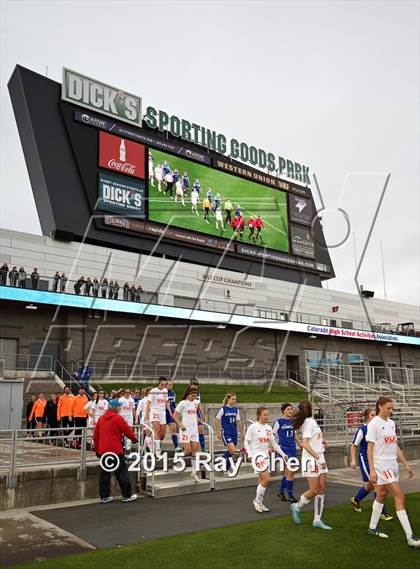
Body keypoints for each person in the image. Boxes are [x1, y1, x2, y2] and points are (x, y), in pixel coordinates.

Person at [366, 397, 419, 546]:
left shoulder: (391, 423)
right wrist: (372, 470)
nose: (391, 411)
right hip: (381, 465)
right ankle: (410, 537)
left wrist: (405, 464)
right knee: (400, 496)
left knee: (382, 494)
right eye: (388, 408)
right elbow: (370, 448)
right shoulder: (374, 424)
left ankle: (372, 528)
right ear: (380, 407)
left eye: (392, 408)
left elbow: (394, 445)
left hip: (392, 464)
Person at [291, 400, 332, 530]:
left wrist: (322, 442)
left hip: (318, 456)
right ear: (309, 409)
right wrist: (319, 458)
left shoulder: (311, 422)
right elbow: (306, 444)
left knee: (321, 488)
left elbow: (313, 440)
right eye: (312, 406)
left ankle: (317, 519)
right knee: (314, 490)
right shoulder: (309, 423)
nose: (314, 407)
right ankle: (296, 507)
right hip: (312, 459)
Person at [350, 407, 393, 520]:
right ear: (367, 417)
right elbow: (354, 446)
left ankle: (356, 499)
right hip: (365, 459)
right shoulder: (362, 429)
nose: (374, 417)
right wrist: (353, 460)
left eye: (375, 414)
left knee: (371, 485)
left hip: (377, 459)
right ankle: (382, 512)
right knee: (377, 484)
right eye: (372, 415)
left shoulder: (378, 427)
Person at [93, 399, 138, 503]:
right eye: (119, 406)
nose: (120, 408)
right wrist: (133, 438)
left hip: (104, 451)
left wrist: (97, 449)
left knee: (105, 474)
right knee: (121, 472)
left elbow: (96, 435)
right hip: (115, 450)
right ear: (115, 407)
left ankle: (104, 496)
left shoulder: (101, 418)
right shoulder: (118, 418)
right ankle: (126, 495)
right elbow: (126, 430)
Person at [244, 406, 288, 513]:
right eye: (265, 415)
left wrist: (283, 454)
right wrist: (250, 454)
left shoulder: (268, 428)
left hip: (266, 457)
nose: (267, 416)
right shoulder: (253, 427)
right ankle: (257, 501)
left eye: (268, 414)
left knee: (262, 480)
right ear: (259, 415)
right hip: (257, 457)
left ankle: (260, 502)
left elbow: (273, 443)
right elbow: (246, 441)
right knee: (267, 479)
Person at [274, 402, 300, 502]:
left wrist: (300, 444)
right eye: (288, 409)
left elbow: (295, 434)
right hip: (284, 450)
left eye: (291, 409)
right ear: (283, 410)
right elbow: (271, 435)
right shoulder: (279, 422)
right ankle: (290, 495)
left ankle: (281, 491)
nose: (290, 411)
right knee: (291, 472)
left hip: (292, 448)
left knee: (287, 473)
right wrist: (273, 446)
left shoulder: (293, 421)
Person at [174, 388, 201, 482]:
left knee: (195, 451)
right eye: (192, 396)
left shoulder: (196, 402)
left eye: (195, 396)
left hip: (194, 429)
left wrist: (198, 419)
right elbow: (175, 415)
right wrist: (180, 424)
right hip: (185, 429)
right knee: (188, 450)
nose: (194, 398)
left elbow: (193, 414)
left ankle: (194, 473)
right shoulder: (182, 403)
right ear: (188, 394)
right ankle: (179, 457)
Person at [215, 392, 244, 472]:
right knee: (233, 450)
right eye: (233, 399)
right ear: (228, 399)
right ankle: (220, 461)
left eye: (235, 399)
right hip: (226, 432)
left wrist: (242, 432)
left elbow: (238, 421)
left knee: (232, 452)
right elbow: (216, 420)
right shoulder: (223, 409)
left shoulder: (236, 410)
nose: (234, 401)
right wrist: (218, 432)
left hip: (234, 433)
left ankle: (225, 468)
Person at [144, 377, 171, 457]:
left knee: (162, 434)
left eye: (165, 384)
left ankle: (154, 444)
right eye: (162, 384)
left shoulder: (165, 391)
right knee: (156, 429)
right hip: (154, 412)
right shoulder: (153, 391)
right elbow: (148, 404)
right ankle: (157, 451)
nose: (163, 386)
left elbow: (166, 402)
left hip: (162, 413)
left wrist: (170, 411)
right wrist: (146, 414)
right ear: (158, 383)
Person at [189, 380, 206, 452]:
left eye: (196, 385)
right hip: (189, 413)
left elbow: (199, 404)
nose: (195, 386)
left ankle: (203, 449)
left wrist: (202, 415)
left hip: (197, 412)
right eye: (194, 385)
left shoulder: (198, 393)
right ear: (190, 385)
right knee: (190, 432)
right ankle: (187, 448)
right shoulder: (188, 393)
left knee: (201, 430)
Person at [135, 386, 152, 451]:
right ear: (147, 392)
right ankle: (151, 450)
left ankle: (144, 448)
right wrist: (136, 419)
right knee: (147, 433)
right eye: (150, 392)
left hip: (152, 419)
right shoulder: (142, 400)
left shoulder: (153, 400)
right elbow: (138, 411)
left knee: (150, 435)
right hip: (145, 419)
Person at [165, 381, 180, 450]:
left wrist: (175, 412)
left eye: (172, 385)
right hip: (163, 413)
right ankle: (156, 447)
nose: (171, 386)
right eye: (169, 385)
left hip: (171, 414)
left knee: (173, 430)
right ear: (166, 385)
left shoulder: (173, 393)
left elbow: (173, 404)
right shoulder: (162, 393)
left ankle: (176, 447)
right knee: (161, 433)